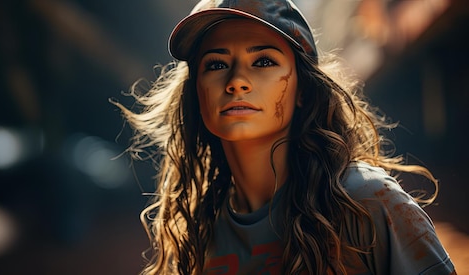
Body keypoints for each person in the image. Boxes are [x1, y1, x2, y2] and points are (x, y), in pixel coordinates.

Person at [113, 0, 456, 274]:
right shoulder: (198, 235)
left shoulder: (367, 203)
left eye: (263, 61)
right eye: (216, 64)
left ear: (303, 89)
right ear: (197, 95)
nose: (236, 81)